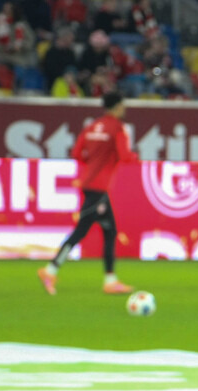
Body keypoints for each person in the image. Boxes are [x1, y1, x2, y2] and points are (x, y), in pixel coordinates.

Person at [38, 92, 138, 296]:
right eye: (123, 105)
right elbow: (125, 155)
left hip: (89, 184)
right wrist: (134, 157)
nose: (124, 109)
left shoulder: (92, 126)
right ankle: (50, 270)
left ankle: (110, 280)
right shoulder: (117, 127)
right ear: (117, 106)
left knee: (109, 232)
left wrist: (93, 164)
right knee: (81, 231)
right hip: (99, 189)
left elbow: (76, 153)